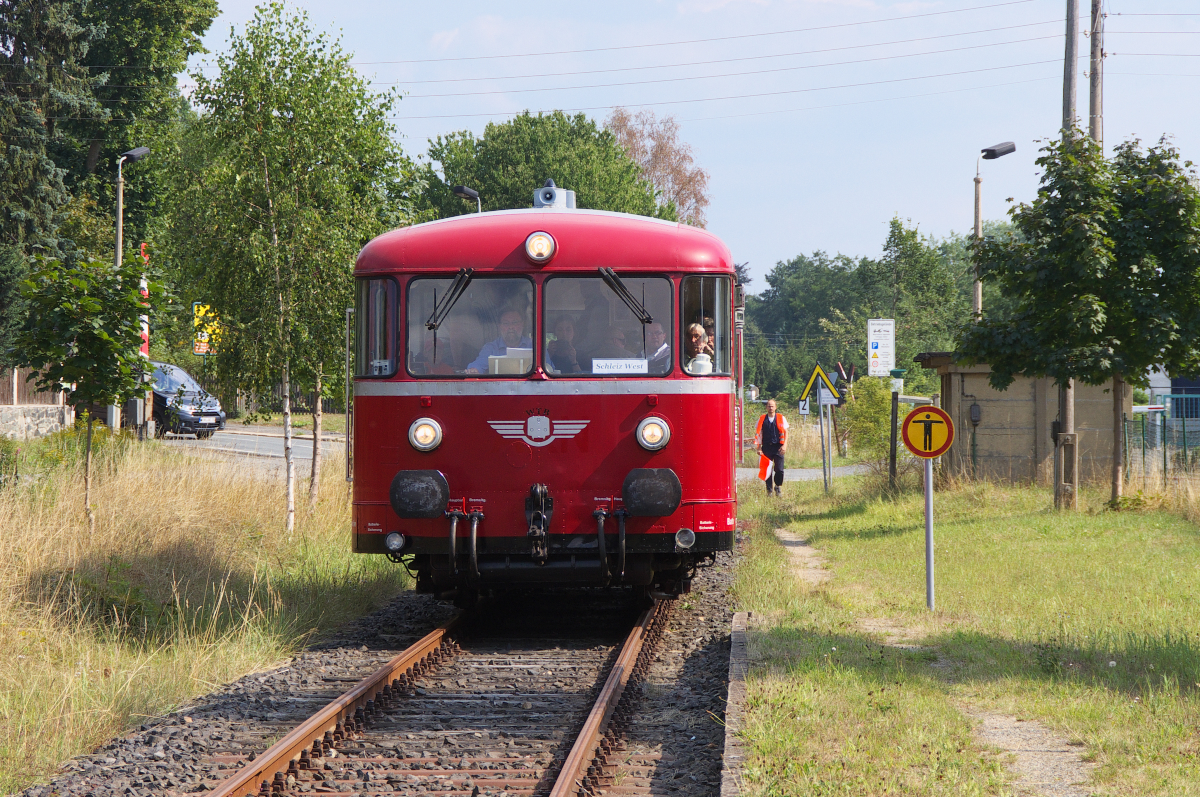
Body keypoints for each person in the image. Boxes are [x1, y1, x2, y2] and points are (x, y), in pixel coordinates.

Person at [465, 309, 532, 373]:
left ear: (522, 324)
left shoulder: (533, 345)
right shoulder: (491, 348)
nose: (511, 327)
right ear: (499, 326)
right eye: (506, 323)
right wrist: (474, 370)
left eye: (514, 322)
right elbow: (479, 364)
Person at [754, 399, 788, 496]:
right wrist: (759, 447)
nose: (771, 408)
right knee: (767, 470)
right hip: (766, 448)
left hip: (778, 447)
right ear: (766, 407)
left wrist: (785, 445)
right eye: (769, 406)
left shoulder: (781, 418)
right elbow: (759, 433)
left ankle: (777, 486)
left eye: (772, 406)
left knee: (779, 470)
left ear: (775, 407)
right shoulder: (762, 419)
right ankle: (769, 491)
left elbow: (786, 433)